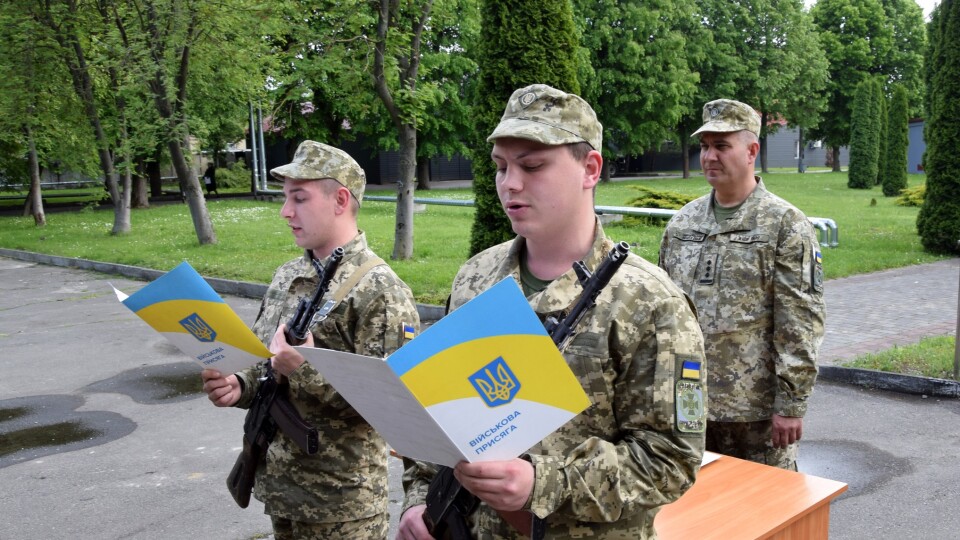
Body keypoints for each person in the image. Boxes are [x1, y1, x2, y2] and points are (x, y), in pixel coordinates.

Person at [398, 84, 706, 539]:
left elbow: (671, 460)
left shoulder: (650, 301)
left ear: (591, 168)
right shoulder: (476, 278)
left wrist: (545, 483)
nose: (510, 183)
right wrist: (418, 499)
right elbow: (443, 409)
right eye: (501, 167)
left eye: (533, 165)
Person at [200, 141, 420, 539]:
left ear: (339, 200)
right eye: (286, 199)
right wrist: (240, 384)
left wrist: (305, 371)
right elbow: (264, 362)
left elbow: (394, 407)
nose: (286, 212)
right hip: (282, 489)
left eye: (298, 199)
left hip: (342, 504)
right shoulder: (288, 277)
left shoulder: (381, 290)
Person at [658, 99, 826, 471]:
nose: (709, 157)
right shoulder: (683, 224)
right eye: (704, 147)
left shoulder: (784, 224)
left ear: (751, 151)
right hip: (688, 403)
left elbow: (799, 320)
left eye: (721, 146)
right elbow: (662, 313)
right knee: (696, 513)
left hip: (755, 410)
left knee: (768, 513)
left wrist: (791, 403)